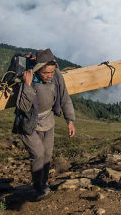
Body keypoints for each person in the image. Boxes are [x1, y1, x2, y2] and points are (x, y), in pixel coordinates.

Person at [15, 48, 76, 198]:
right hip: (29, 123)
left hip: (48, 121)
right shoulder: (28, 79)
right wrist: (27, 86)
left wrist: (70, 120)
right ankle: (37, 187)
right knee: (38, 153)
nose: (49, 76)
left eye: (51, 72)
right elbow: (22, 107)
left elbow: (64, 97)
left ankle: (43, 184)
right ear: (37, 70)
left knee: (47, 155)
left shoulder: (57, 76)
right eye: (45, 73)